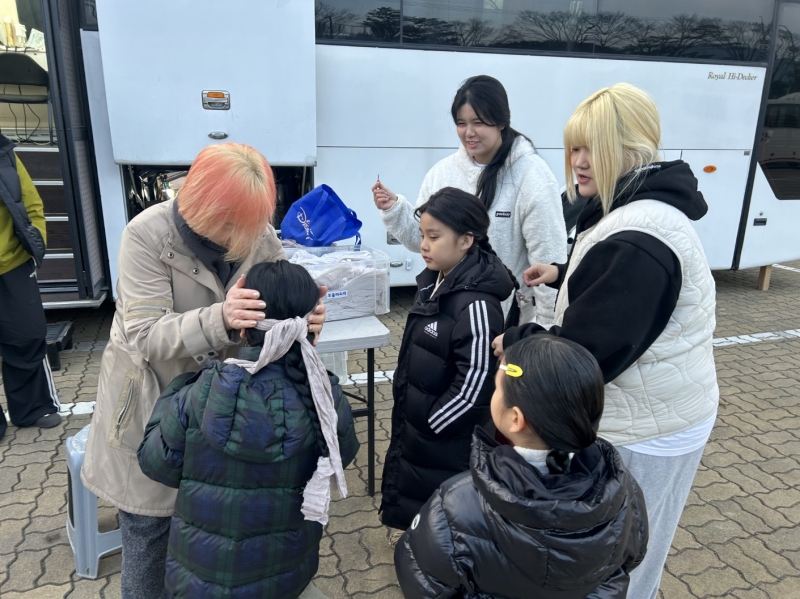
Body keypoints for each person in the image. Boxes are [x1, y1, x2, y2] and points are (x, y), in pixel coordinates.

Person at [494, 83, 719, 599]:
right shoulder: (635, 207)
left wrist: (520, 341)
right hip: (659, 412)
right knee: (630, 549)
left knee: (622, 562)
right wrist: (562, 275)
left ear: (632, 148)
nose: (578, 161)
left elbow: (584, 354)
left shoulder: (638, 239)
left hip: (647, 430)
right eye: (574, 147)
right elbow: (613, 299)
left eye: (593, 148)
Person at [80, 143, 327, 599]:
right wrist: (221, 318)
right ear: (201, 204)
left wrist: (304, 319)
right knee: (150, 538)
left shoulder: (259, 235)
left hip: (219, 413)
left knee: (211, 545)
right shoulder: (146, 235)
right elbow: (144, 335)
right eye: (232, 224)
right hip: (152, 409)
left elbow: (276, 305)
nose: (243, 237)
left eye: (251, 224)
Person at [138, 260, 359, 599]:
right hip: (285, 574)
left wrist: (176, 389)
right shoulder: (323, 394)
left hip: (200, 580)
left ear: (242, 328)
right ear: (311, 325)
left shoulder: (202, 391)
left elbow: (156, 463)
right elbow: (342, 454)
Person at [395, 335, 648, 598]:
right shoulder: (623, 488)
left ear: (516, 418)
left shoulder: (454, 505)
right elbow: (633, 554)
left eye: (497, 388)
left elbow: (424, 585)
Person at [372, 75, 566, 327]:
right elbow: (424, 240)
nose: (469, 133)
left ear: (501, 122)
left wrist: (546, 328)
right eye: (461, 123)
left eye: (479, 122)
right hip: (444, 317)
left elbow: (548, 258)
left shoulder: (532, 176)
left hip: (504, 326)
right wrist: (395, 209)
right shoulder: (443, 173)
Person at [380, 187, 515, 545]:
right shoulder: (434, 282)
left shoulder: (477, 304)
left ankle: (438, 553)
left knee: (446, 505)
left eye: (434, 237)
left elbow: (476, 383)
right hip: (421, 425)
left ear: (466, 241)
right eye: (422, 235)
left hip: (445, 434)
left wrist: (431, 422)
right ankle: (416, 535)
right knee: (419, 488)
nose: (423, 245)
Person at [0, 133, 59, 441]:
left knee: (27, 336)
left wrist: (36, 240)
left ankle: (33, 408)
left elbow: (31, 200)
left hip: (13, 263)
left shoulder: (4, 153)